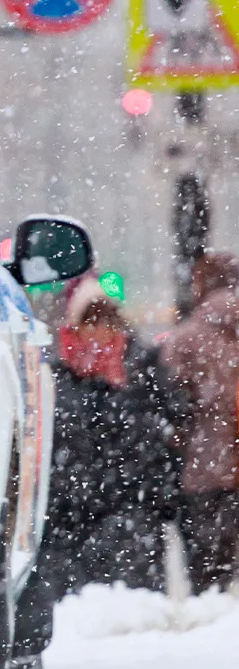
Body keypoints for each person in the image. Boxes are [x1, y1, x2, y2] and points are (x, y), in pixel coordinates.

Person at [40, 278, 187, 593]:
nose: (99, 331)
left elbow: (165, 434)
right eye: (90, 321)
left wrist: (161, 494)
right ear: (74, 327)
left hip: (131, 519)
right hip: (68, 523)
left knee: (135, 615)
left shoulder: (142, 368)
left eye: (107, 320)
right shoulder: (52, 378)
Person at [159, 253, 239, 594]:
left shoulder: (186, 339)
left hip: (206, 464)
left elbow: (168, 400)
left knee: (209, 569)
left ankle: (211, 605)